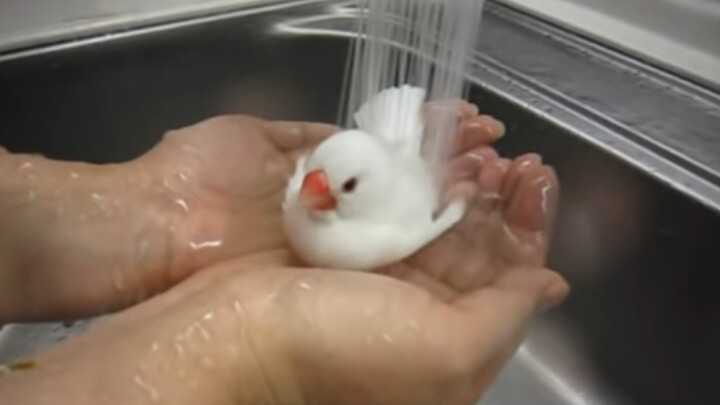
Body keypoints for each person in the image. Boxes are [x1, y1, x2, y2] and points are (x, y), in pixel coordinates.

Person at [0, 102, 569, 405]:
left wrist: (149, 204)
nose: (308, 192)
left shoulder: (394, 225)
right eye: (313, 180)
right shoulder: (319, 198)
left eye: (333, 189)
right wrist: (258, 353)